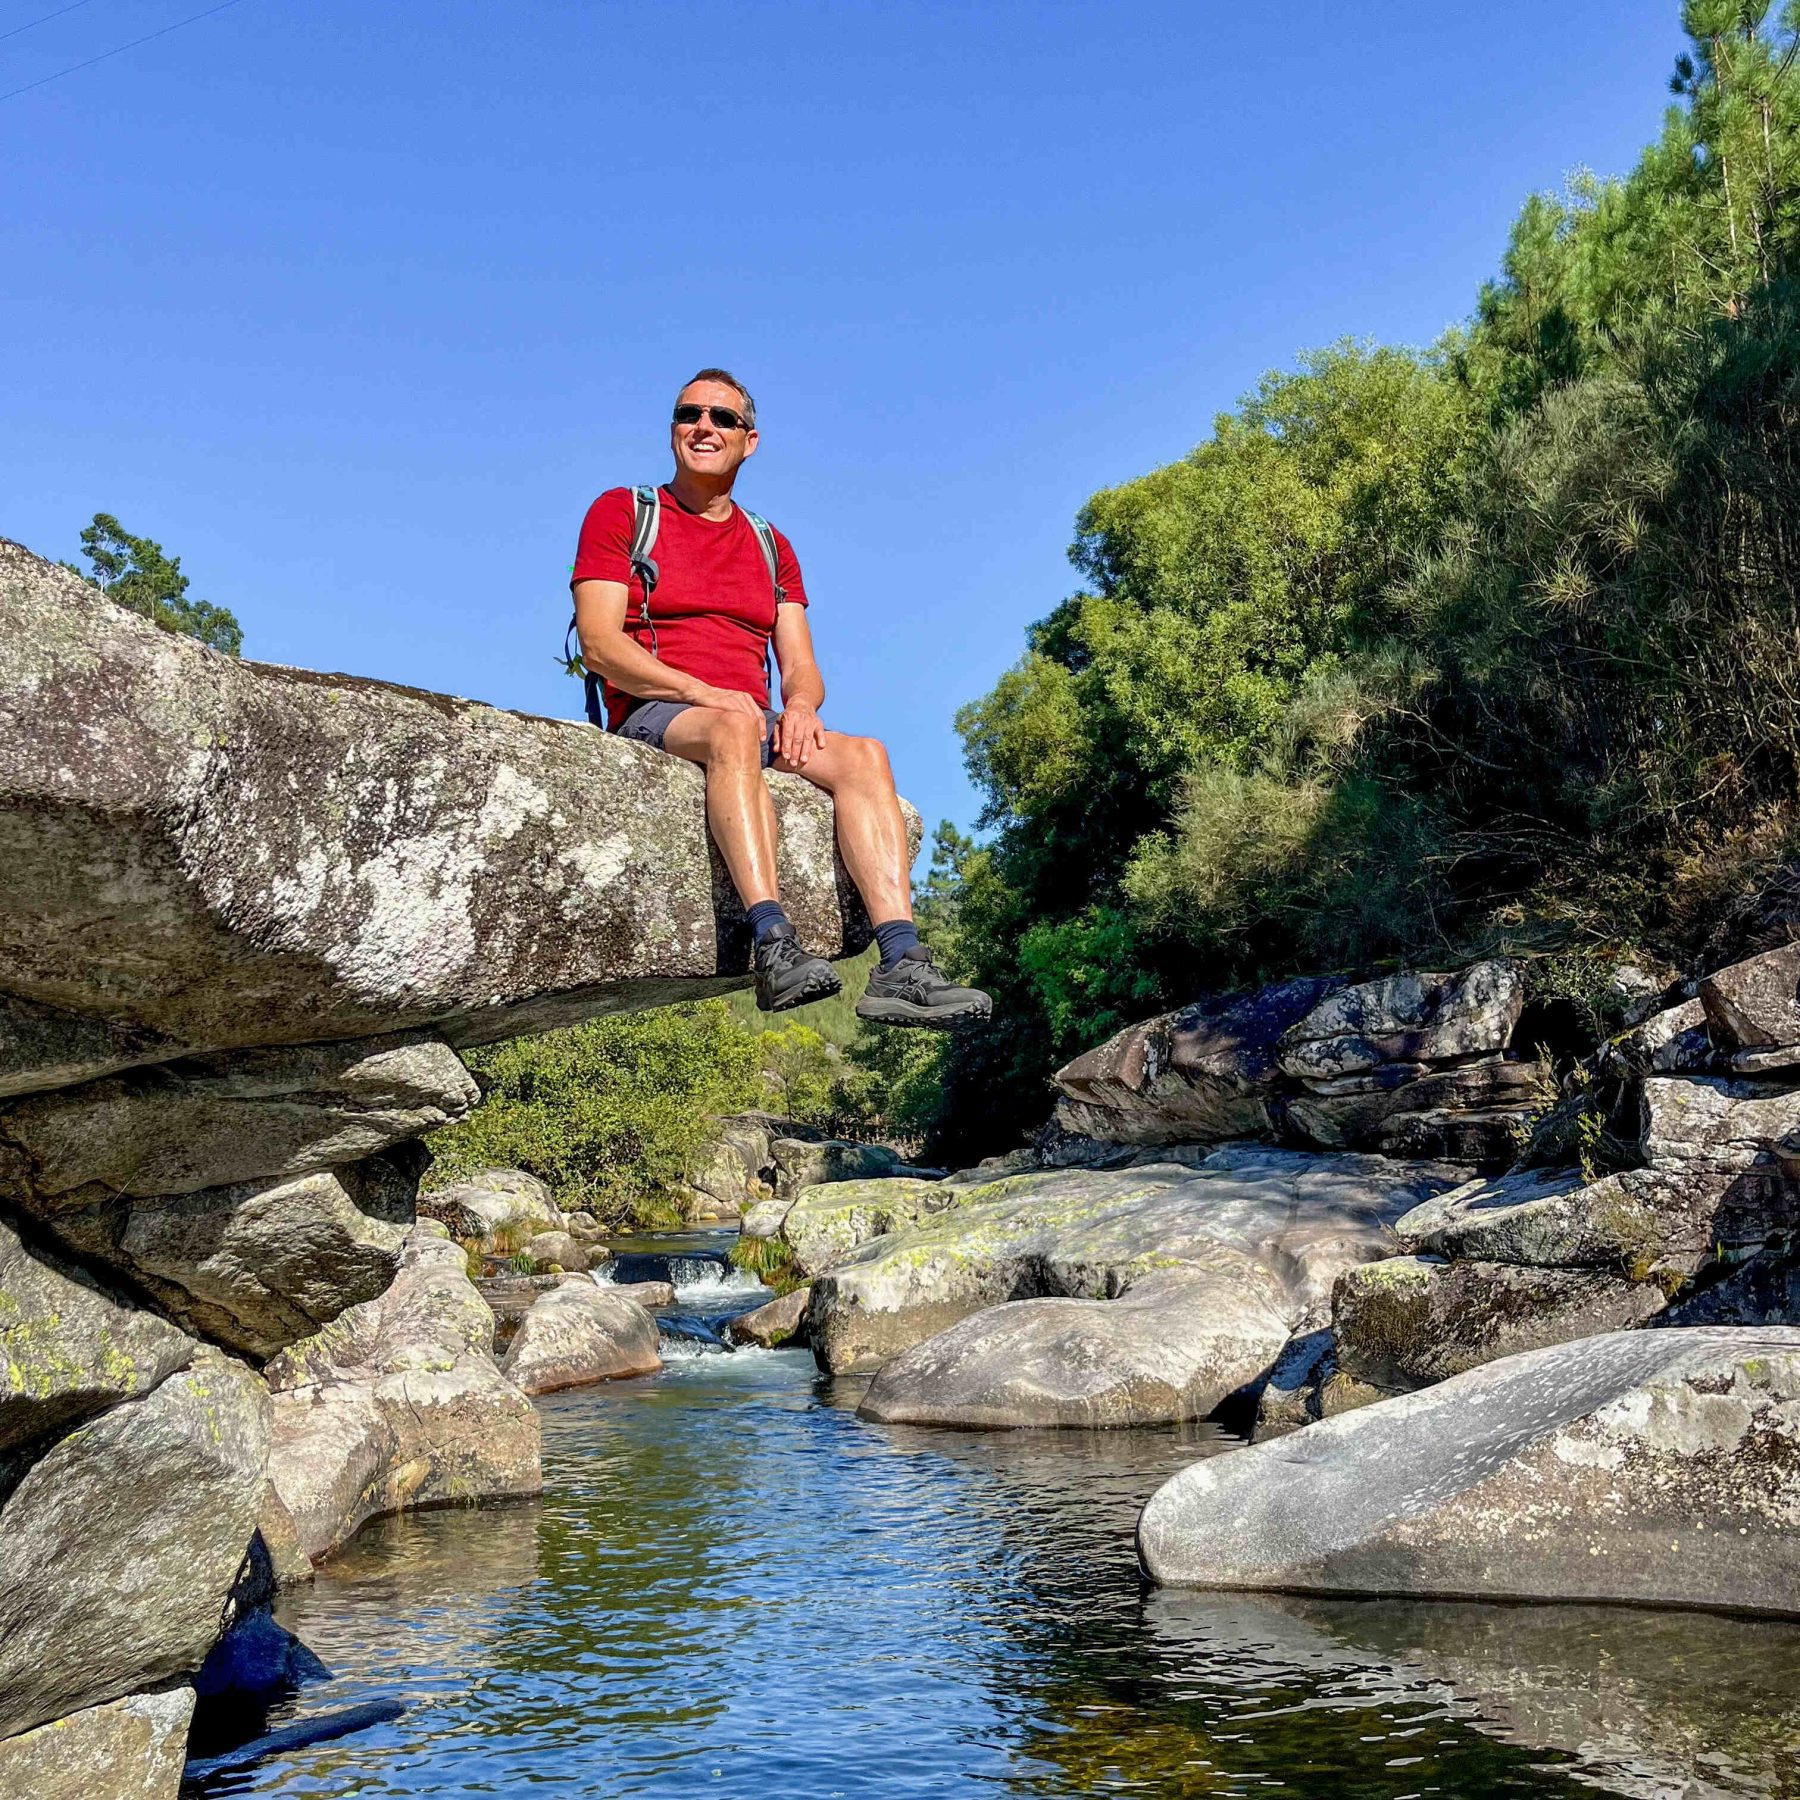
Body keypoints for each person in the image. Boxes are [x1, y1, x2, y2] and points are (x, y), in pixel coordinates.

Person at [571, 368, 992, 1027]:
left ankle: (901, 965)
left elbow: (802, 666)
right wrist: (701, 691)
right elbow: (599, 644)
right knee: (734, 730)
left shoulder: (771, 545)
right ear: (673, 429)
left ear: (750, 441)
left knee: (865, 755)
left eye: (722, 419)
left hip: (748, 714)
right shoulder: (624, 512)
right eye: (689, 414)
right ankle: (772, 941)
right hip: (660, 709)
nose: (703, 427)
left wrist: (799, 707)